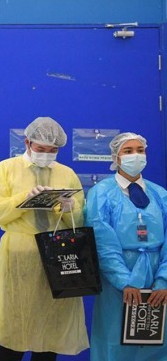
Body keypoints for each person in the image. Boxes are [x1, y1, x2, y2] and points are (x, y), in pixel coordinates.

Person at [0, 117, 88, 361]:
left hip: (58, 255)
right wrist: (22, 199)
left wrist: (69, 207)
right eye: (40, 149)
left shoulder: (66, 173)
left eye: (52, 150)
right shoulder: (6, 168)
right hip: (20, 256)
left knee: (50, 335)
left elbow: (79, 219)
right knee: (14, 332)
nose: (46, 154)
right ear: (27, 143)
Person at [85, 132, 167, 361]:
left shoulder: (159, 194)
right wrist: (124, 280)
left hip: (156, 275)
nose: (136, 155)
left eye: (140, 150)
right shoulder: (102, 193)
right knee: (115, 336)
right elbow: (102, 240)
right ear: (116, 157)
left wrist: (163, 279)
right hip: (117, 278)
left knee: (155, 337)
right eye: (128, 151)